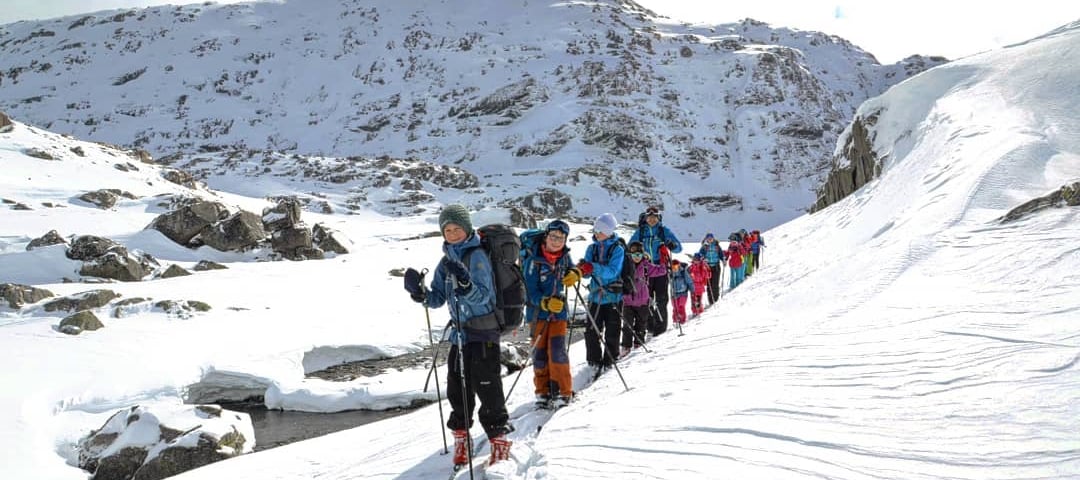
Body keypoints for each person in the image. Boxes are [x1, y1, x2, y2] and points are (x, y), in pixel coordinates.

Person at [403, 204, 512, 468]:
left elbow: (485, 296)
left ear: (466, 228)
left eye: (456, 228)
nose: (452, 234)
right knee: (457, 389)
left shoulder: (477, 256)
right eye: (447, 229)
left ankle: (499, 440)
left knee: (488, 387)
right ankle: (462, 438)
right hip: (460, 337)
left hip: (483, 332)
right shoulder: (445, 261)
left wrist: (466, 286)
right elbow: (438, 298)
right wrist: (421, 295)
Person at [521, 219, 575, 409]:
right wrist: (544, 302)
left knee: (558, 351)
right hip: (537, 315)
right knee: (540, 354)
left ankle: (563, 390)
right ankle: (543, 392)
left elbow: (572, 269)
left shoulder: (564, 256)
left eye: (561, 237)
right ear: (546, 236)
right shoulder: (533, 260)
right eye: (553, 236)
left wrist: (574, 273)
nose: (557, 240)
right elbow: (529, 291)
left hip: (559, 312)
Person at [577, 213, 624, 371]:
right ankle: (593, 361)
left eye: (600, 230)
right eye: (596, 230)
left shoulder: (618, 250)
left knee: (612, 330)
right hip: (595, 296)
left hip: (612, 297)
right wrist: (583, 270)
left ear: (609, 231)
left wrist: (593, 268)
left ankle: (610, 359)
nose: (596, 233)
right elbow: (587, 273)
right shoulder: (592, 248)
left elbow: (612, 271)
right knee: (591, 331)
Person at [629, 206, 682, 336]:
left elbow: (678, 248)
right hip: (645, 269)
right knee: (646, 299)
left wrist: (672, 245)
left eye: (654, 217)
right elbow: (630, 247)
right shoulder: (640, 232)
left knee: (661, 299)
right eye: (650, 217)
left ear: (658, 218)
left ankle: (661, 329)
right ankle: (650, 327)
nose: (652, 220)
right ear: (645, 218)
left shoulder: (664, 231)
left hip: (661, 269)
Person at [620, 241, 666, 356]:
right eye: (634, 255)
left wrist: (663, 258)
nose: (637, 257)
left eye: (639, 255)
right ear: (629, 254)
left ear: (642, 255)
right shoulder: (624, 265)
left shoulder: (646, 266)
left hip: (643, 302)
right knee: (627, 325)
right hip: (627, 301)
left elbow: (661, 270)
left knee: (641, 324)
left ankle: (638, 343)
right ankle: (626, 346)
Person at [697, 233, 725, 304]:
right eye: (708, 238)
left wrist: (723, 259)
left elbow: (721, 254)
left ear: (713, 238)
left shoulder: (716, 246)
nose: (710, 239)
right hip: (707, 267)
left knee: (715, 284)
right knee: (709, 285)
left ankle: (716, 299)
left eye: (711, 238)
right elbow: (700, 255)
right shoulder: (704, 246)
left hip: (716, 266)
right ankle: (711, 300)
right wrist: (702, 258)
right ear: (706, 239)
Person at [669, 258, 692, 325]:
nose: (674, 268)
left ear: (679, 266)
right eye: (673, 267)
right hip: (674, 293)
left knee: (681, 306)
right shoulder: (670, 273)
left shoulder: (683, 272)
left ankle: (682, 320)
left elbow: (689, 281)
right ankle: (675, 320)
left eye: (676, 266)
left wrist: (692, 289)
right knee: (675, 307)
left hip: (683, 293)